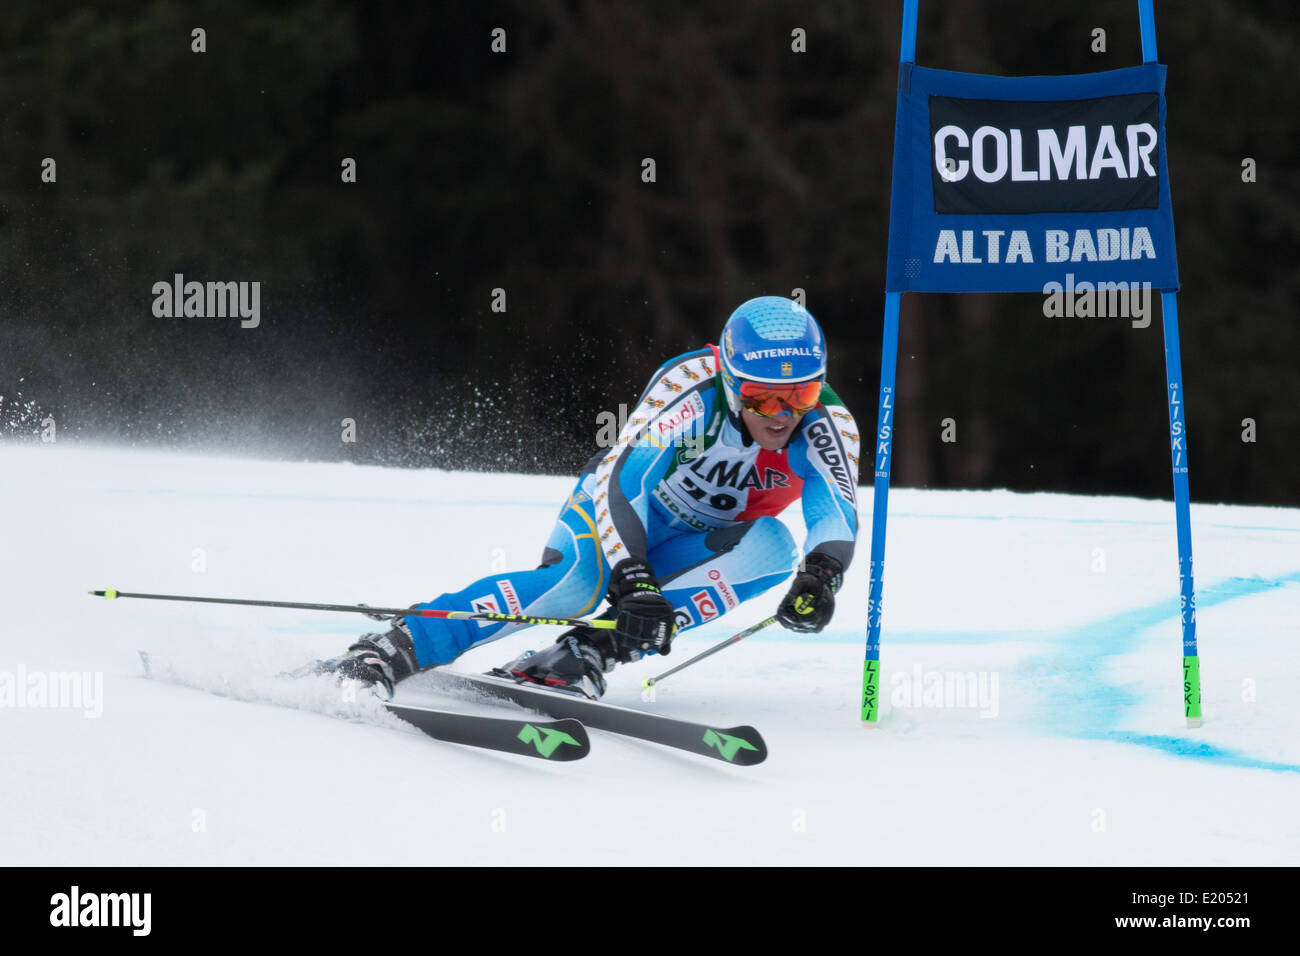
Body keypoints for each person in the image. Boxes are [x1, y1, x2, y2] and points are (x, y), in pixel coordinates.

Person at [330, 295, 861, 699]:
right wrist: (632, 578)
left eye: (801, 393)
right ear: (729, 380)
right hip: (621, 515)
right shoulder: (693, 393)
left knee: (775, 548)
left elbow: (835, 510)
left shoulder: (826, 424)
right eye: (761, 397)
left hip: (698, 541)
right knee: (576, 587)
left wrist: (821, 576)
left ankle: (582, 653)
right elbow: (621, 484)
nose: (782, 413)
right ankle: (395, 647)